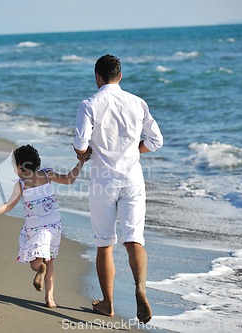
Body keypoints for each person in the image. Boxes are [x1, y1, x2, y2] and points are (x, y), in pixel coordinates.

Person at [73, 54, 163, 323]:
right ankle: (140, 288)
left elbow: (80, 144)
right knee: (134, 238)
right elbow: (156, 140)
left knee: (105, 243)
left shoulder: (89, 104)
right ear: (120, 76)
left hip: (103, 179)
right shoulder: (138, 102)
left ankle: (108, 304)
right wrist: (132, 151)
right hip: (133, 178)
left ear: (97, 77)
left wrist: (85, 153)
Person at [0, 144, 90, 308]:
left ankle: (41, 268)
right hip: (54, 225)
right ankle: (50, 299)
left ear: (21, 166)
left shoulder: (21, 185)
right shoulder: (47, 174)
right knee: (51, 261)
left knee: (35, 263)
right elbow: (69, 179)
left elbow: (8, 206)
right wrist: (81, 162)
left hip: (36, 228)